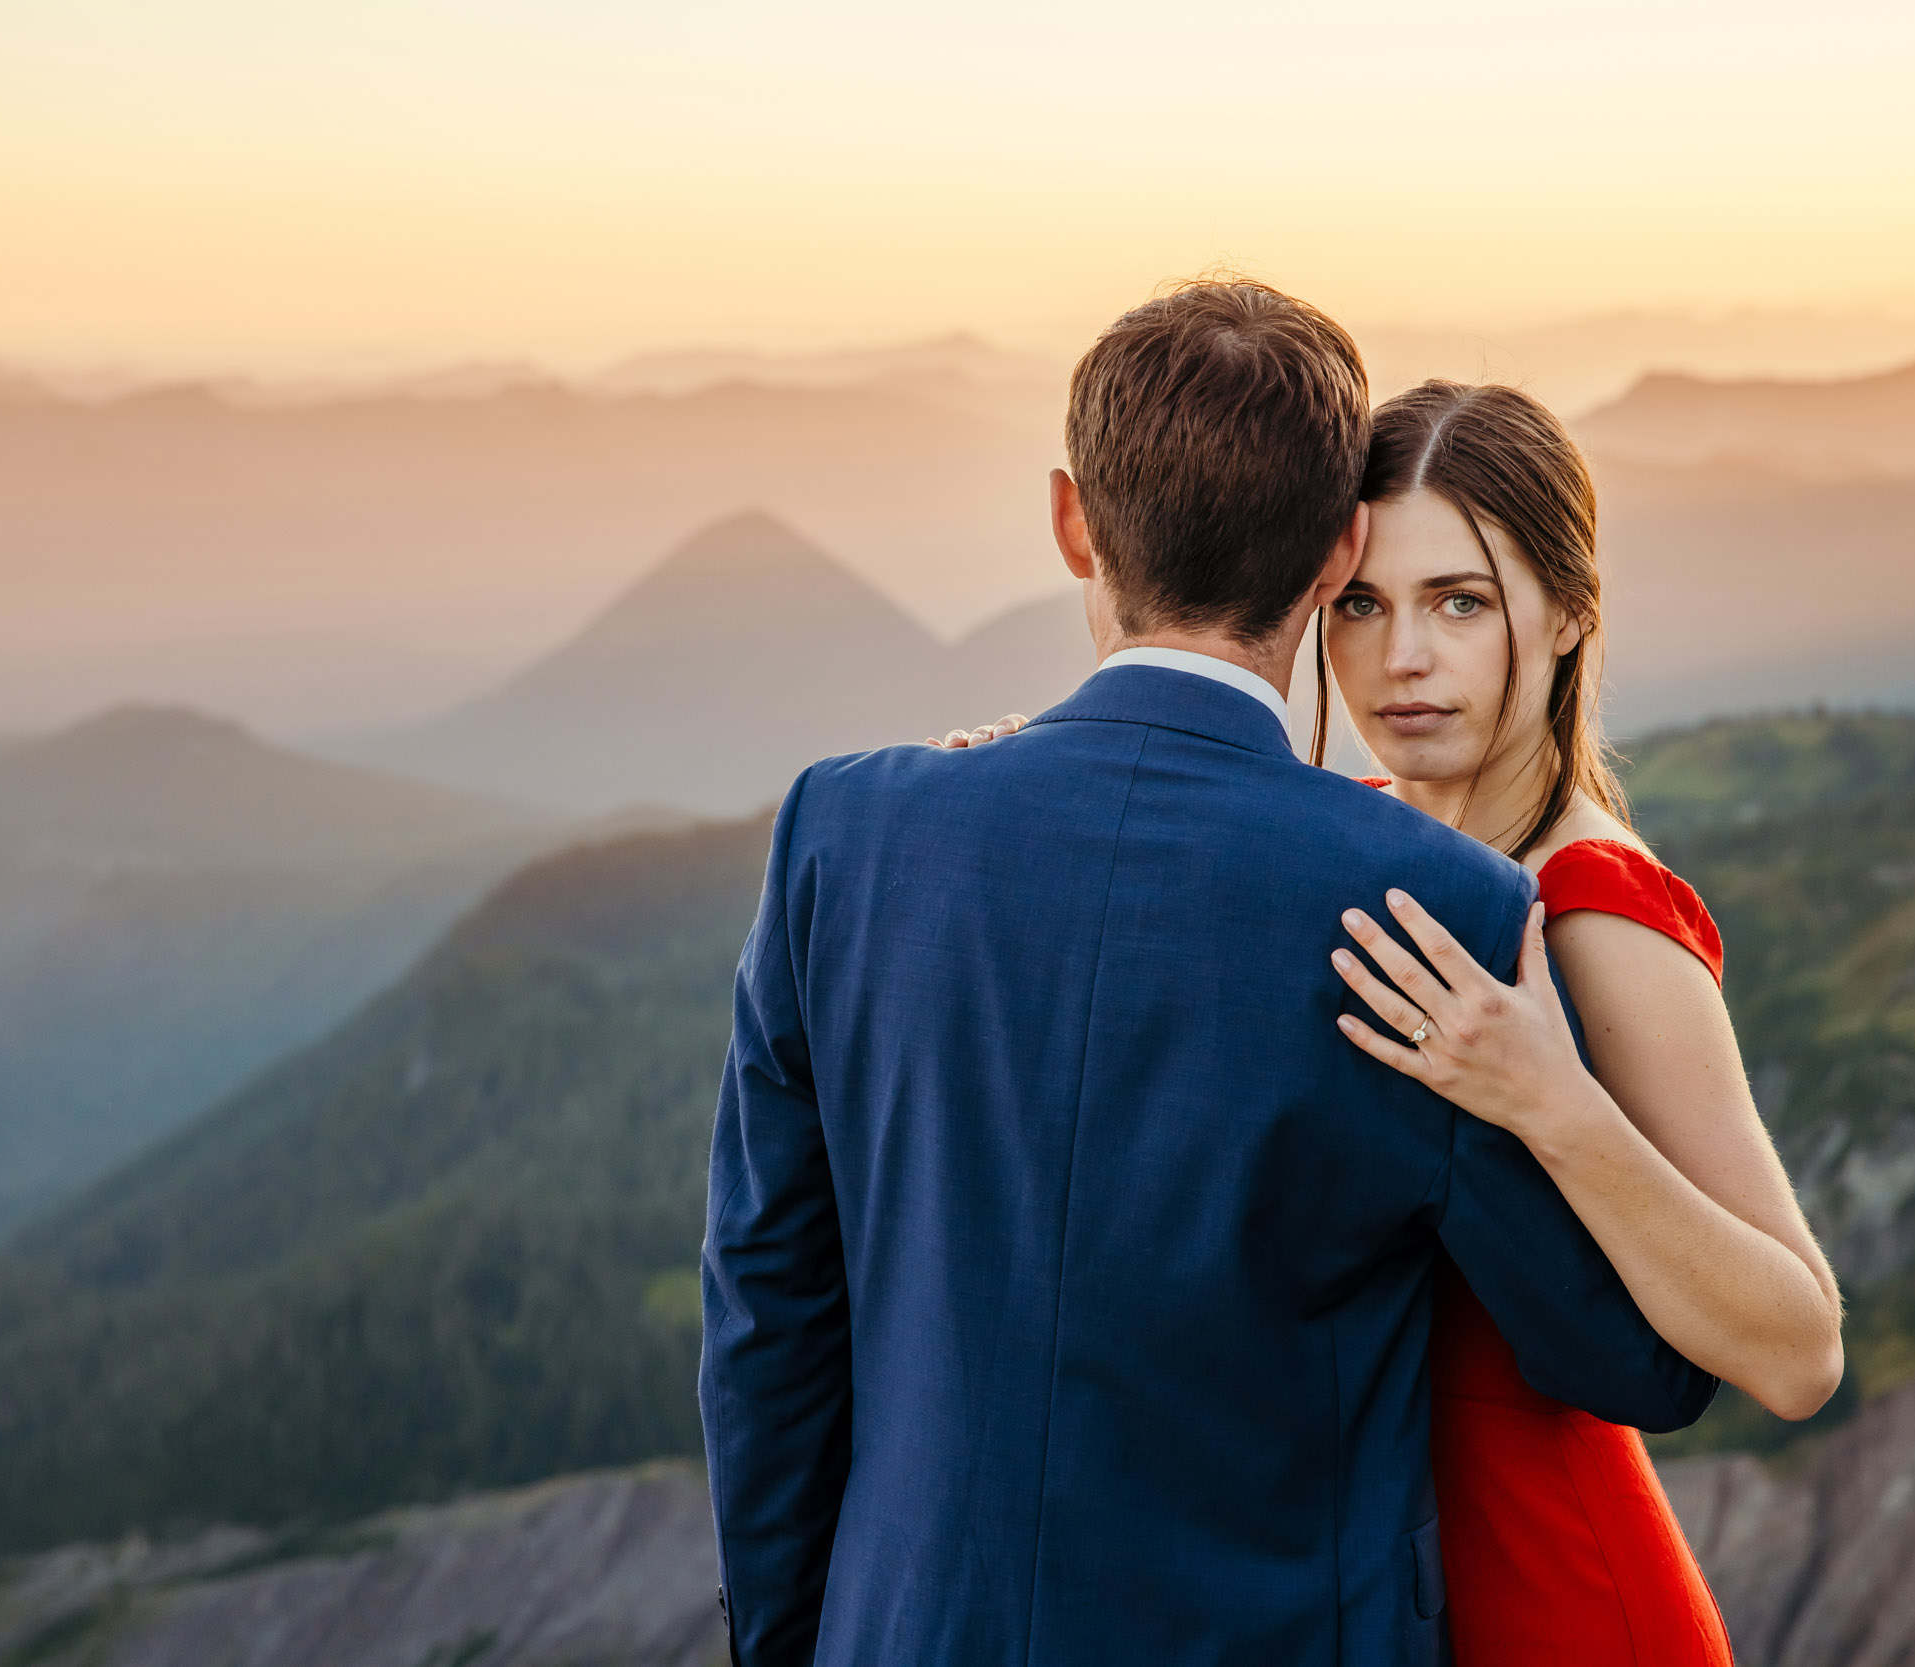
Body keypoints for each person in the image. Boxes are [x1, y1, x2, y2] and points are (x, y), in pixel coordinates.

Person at [700, 281, 1717, 1667]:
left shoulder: (847, 831)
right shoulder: (1437, 910)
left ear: (1072, 520)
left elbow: (769, 1308)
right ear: (1336, 549)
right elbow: (1629, 1361)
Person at [939, 380, 1844, 1666]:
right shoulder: (1353, 826)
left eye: (1459, 603)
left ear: (1570, 610)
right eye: (1362, 605)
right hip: (1344, 1580)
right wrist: (1013, 790)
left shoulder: (1595, 913)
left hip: (1545, 1589)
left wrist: (1553, 1098)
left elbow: (1799, 1348)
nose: (1402, 658)